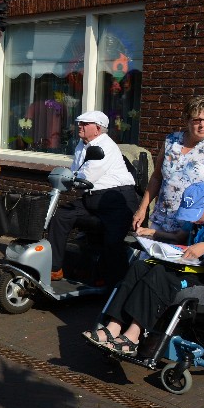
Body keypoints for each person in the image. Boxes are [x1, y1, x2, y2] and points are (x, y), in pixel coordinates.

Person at [84, 182, 204, 356]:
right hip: (190, 265)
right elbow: (180, 236)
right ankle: (113, 327)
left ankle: (133, 336)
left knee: (159, 274)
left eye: (196, 216)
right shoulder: (202, 214)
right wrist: (153, 234)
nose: (193, 220)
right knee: (139, 266)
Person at [131, 96, 204, 236]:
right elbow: (157, 177)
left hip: (195, 223)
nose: (202, 125)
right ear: (187, 120)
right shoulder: (171, 141)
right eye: (197, 120)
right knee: (151, 257)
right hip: (163, 219)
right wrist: (142, 208)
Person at [46, 110, 138, 284]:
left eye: (84, 124)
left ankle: (118, 286)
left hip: (116, 200)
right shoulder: (81, 145)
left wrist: (72, 179)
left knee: (112, 242)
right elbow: (75, 171)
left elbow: (86, 176)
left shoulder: (104, 146)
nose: (79, 126)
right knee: (61, 216)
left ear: (97, 129)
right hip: (92, 199)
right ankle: (54, 268)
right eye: (79, 123)